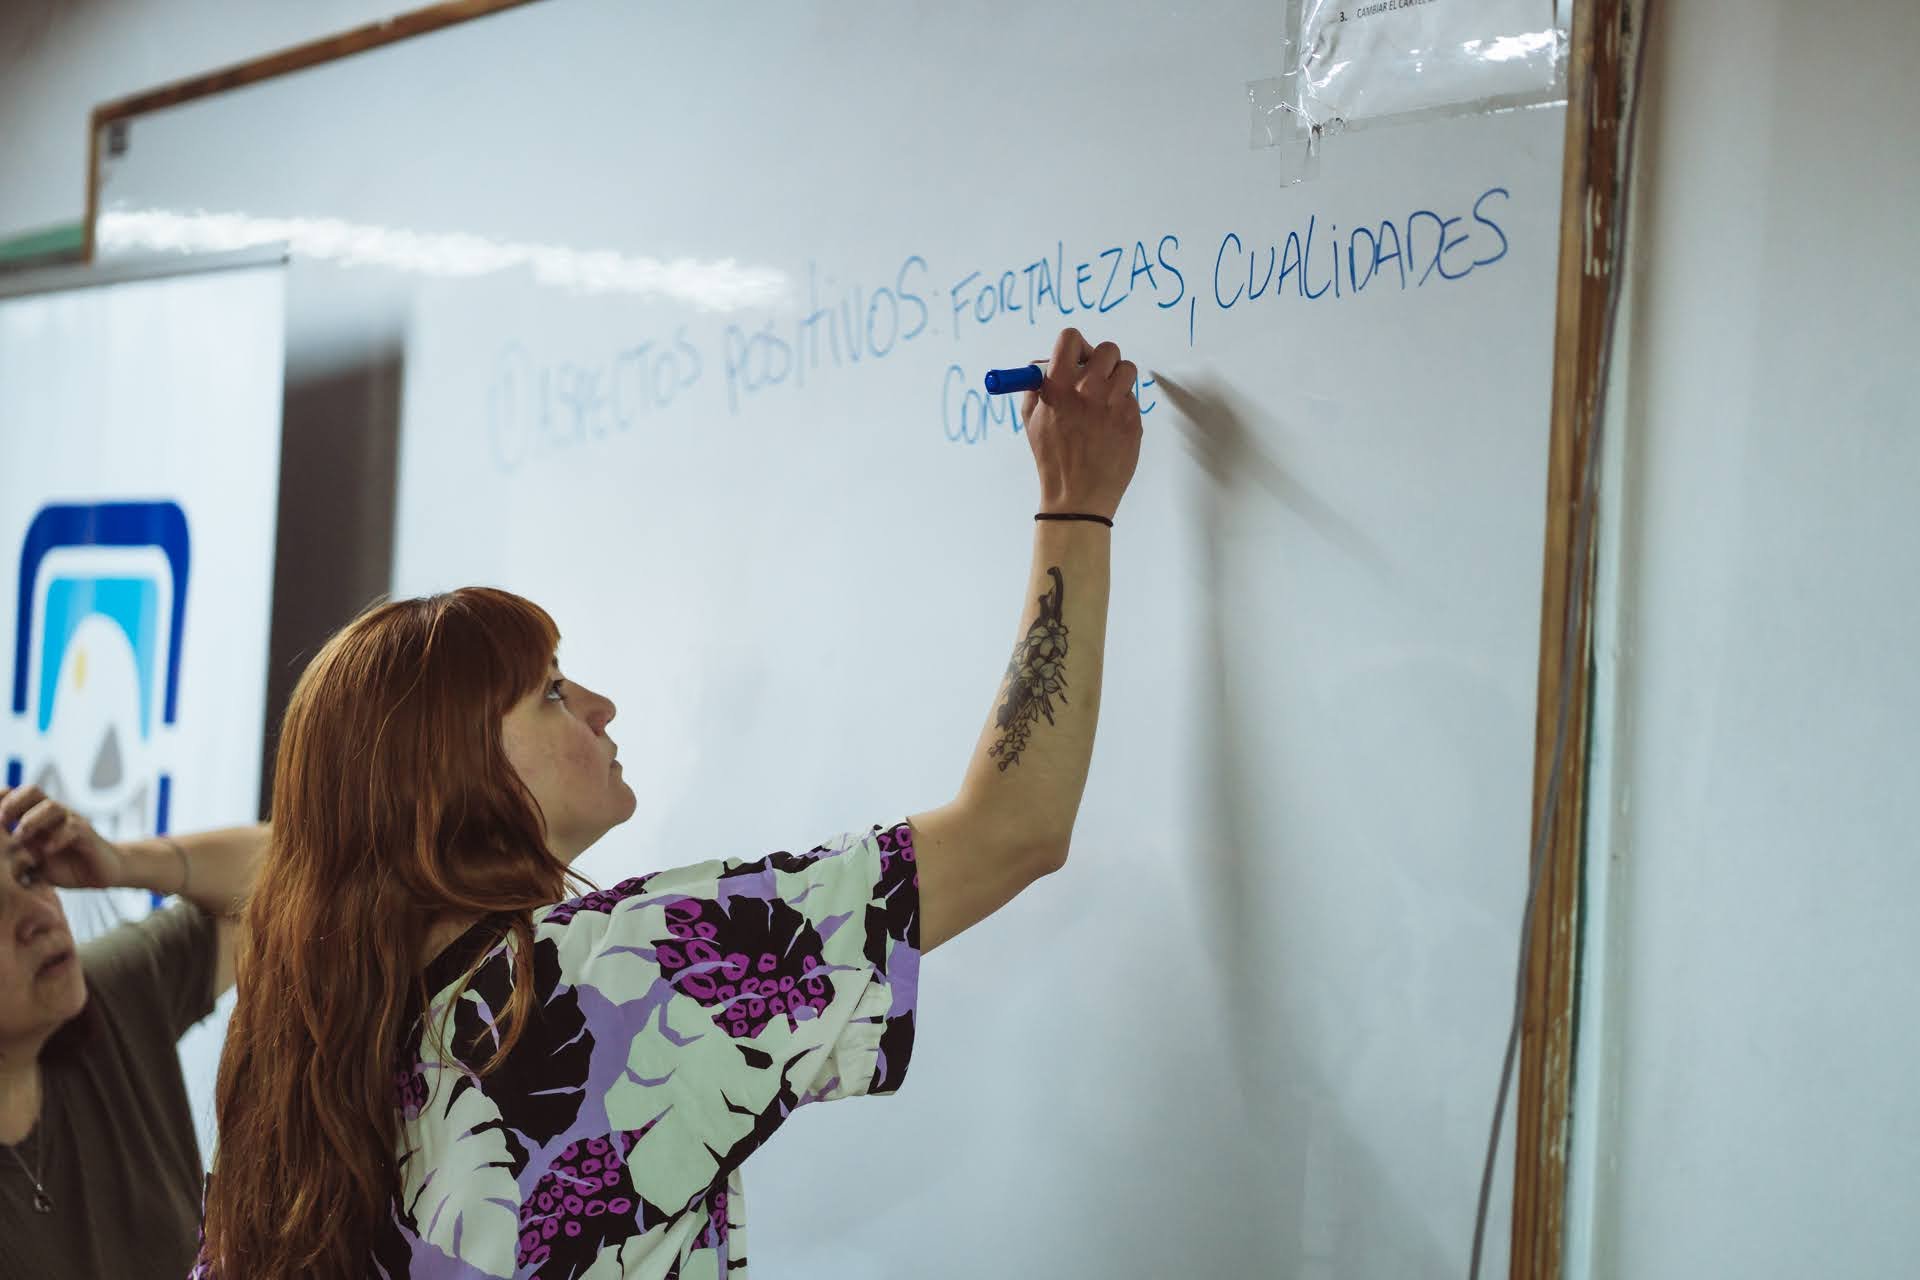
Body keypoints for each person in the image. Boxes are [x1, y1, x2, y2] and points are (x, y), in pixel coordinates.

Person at [196, 325, 1142, 1279]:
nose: (600, 706)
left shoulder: (300, 1077)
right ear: (453, 778)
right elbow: (1012, 829)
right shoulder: (606, 983)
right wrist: (1077, 508)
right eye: (553, 693)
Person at [0, 785, 268, 1277]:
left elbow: (298, 874)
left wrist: (124, 863)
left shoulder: (107, 998)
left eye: (28, 874)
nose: (40, 914)